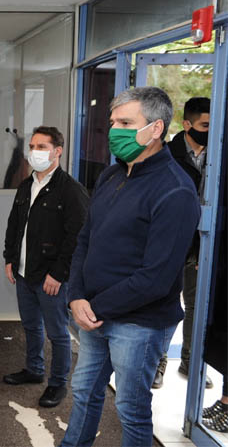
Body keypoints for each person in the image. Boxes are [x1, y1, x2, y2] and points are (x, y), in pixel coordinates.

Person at [61, 86, 200, 447]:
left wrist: (93, 307)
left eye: (125, 123)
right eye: (112, 122)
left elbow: (156, 278)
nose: (114, 131)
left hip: (140, 323)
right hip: (93, 313)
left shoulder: (175, 190)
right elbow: (85, 240)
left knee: (130, 407)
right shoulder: (111, 176)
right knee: (84, 391)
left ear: (156, 129)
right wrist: (76, 296)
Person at [3, 126, 89, 408]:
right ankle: (34, 369)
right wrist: (9, 258)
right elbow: (14, 225)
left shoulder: (71, 191)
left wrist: (59, 273)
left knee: (58, 333)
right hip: (24, 272)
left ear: (57, 151)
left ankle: (58, 384)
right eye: (32, 146)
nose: (34, 152)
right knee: (30, 325)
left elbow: (77, 238)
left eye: (42, 147)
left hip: (51, 277)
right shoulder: (26, 185)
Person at [153, 97, 212, 389]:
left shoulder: (218, 155)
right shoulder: (167, 155)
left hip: (202, 244)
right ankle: (157, 362)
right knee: (163, 303)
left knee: (196, 305)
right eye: (205, 125)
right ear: (187, 124)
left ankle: (190, 360)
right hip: (171, 241)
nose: (210, 131)